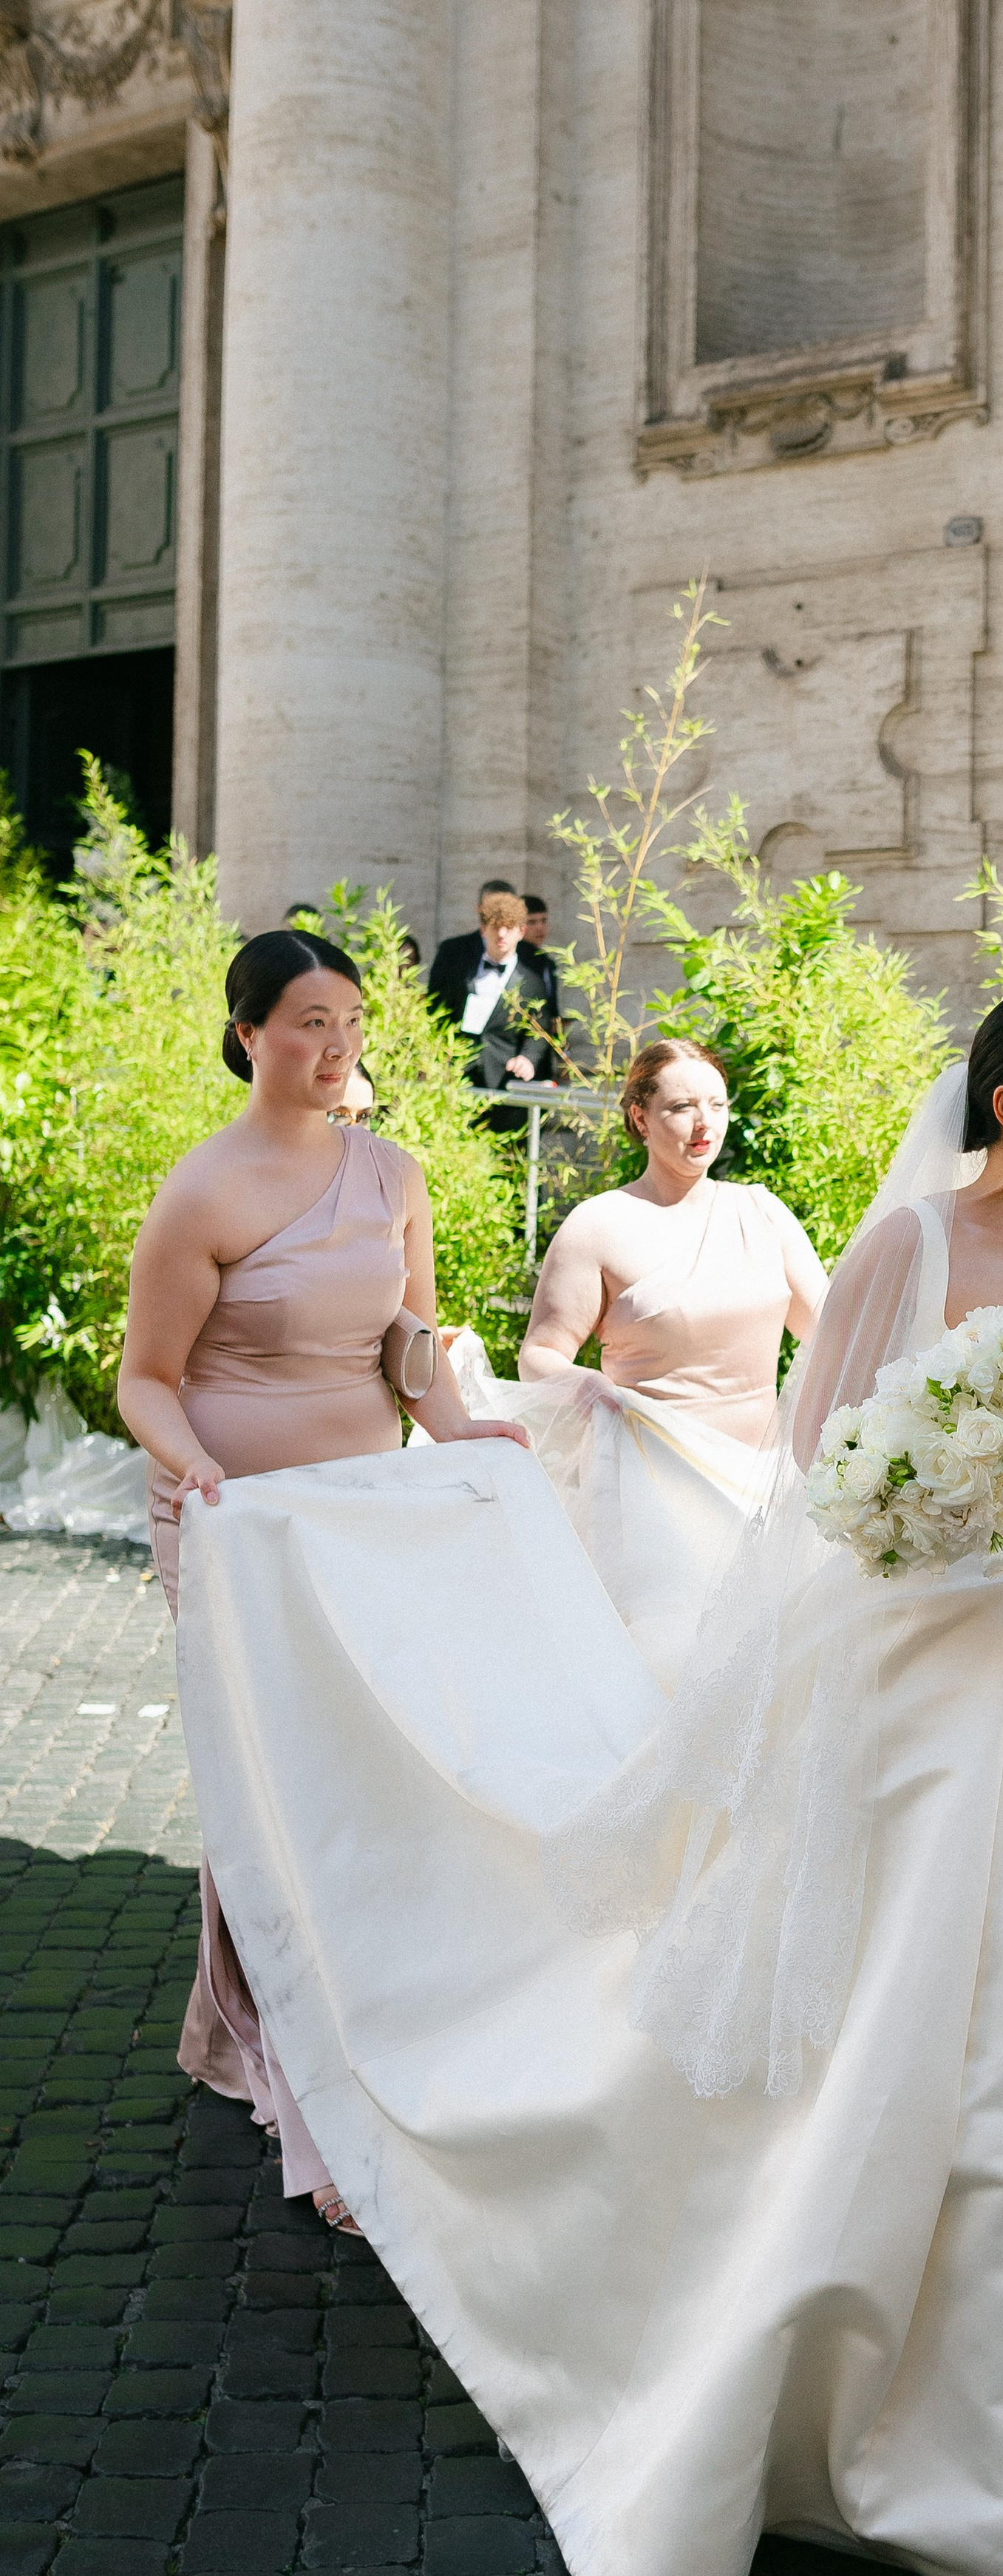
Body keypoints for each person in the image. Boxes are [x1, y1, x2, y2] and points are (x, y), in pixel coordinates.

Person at [171, 988, 1003, 2576]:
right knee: (885, 1988)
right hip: (908, 1666)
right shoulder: (910, 1246)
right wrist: (959, 1502)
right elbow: (821, 1466)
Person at [116, 929, 529, 2234]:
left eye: (348, 1020)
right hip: (233, 1521)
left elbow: (408, 1337)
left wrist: (461, 1431)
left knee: (349, 1779)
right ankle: (316, 2091)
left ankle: (237, 2023)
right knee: (279, 1786)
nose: (336, 1044)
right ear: (248, 1034)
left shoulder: (392, 1170)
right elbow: (145, 1379)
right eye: (308, 1021)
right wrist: (192, 1467)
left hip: (361, 1514)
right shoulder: (204, 1192)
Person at [456, 1038, 826, 1683]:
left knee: (773, 1670)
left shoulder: (762, 1212)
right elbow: (540, 1353)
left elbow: (831, 1330)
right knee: (670, 1669)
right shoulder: (598, 1225)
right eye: (682, 1107)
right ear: (640, 1118)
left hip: (764, 1483)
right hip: (656, 1495)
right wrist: (584, 1384)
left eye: (717, 1104)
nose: (704, 1123)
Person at [427, 885, 558, 1131]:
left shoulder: (532, 981)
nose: (501, 934)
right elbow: (437, 1013)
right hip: (459, 1078)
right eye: (495, 927)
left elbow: (539, 1030)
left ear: (521, 932)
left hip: (504, 1083)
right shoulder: (461, 972)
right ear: (483, 929)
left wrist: (527, 1059)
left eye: (509, 927)